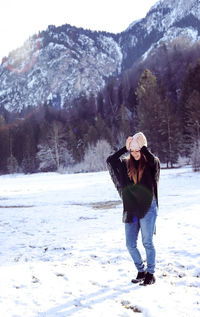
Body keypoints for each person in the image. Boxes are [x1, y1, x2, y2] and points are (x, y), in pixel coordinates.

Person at [106, 132, 160, 286]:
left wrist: (142, 148)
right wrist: (126, 147)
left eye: (138, 150)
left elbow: (153, 160)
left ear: (143, 149)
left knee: (147, 242)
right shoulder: (124, 164)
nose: (135, 154)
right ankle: (141, 270)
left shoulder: (151, 164)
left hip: (148, 207)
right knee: (130, 244)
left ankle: (151, 273)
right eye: (133, 151)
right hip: (131, 209)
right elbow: (110, 160)